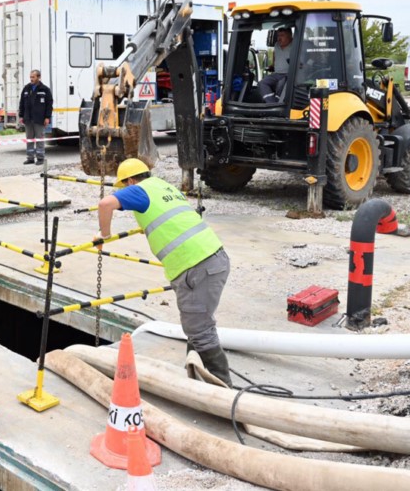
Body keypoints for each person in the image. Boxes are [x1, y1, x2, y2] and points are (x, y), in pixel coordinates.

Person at [96, 158, 233, 386]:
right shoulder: (162, 186)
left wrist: (105, 234)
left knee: (199, 330)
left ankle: (224, 391)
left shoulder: (139, 191)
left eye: (124, 186)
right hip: (214, 257)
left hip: (194, 266)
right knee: (198, 324)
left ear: (130, 180)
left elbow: (105, 204)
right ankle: (196, 376)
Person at [18, 69, 53, 165]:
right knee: (29, 139)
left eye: (33, 77)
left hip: (39, 119)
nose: (31, 79)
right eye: (30, 77)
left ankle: (40, 158)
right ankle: (30, 158)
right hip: (28, 119)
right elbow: (22, 103)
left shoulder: (45, 90)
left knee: (39, 139)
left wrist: (47, 117)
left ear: (38, 77)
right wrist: (21, 115)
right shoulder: (26, 88)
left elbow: (49, 105)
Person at [258, 27, 293, 104]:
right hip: (277, 74)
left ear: (290, 36)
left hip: (289, 75)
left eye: (282, 35)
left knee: (281, 84)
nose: (279, 38)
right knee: (262, 83)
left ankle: (278, 104)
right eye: (278, 36)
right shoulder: (276, 45)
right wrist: (272, 65)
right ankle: (272, 104)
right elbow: (275, 55)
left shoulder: (296, 45)